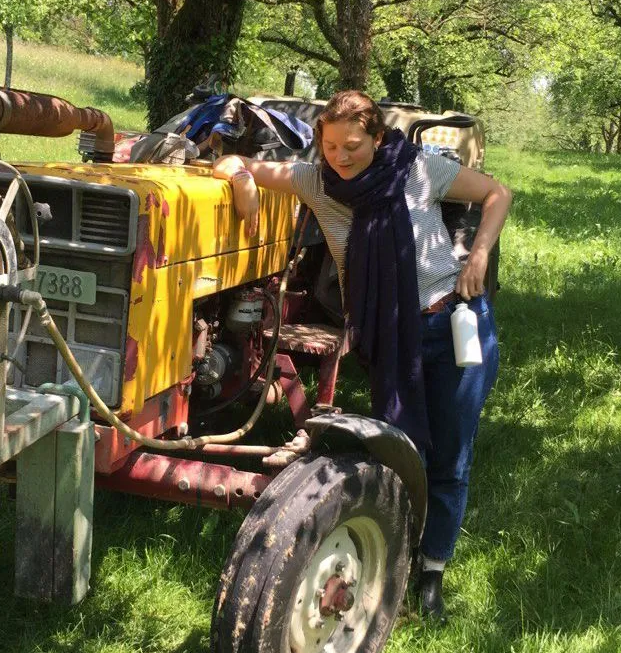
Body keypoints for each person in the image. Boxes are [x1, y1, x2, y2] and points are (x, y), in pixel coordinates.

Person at [212, 90, 512, 623]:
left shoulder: (418, 169)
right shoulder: (316, 181)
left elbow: (497, 194)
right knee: (400, 450)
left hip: (453, 323)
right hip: (389, 335)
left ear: (377, 139)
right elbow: (233, 160)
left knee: (450, 456)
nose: (340, 156)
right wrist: (241, 182)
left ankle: (432, 573)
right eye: (329, 145)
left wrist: (481, 253)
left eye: (352, 145)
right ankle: (395, 553)